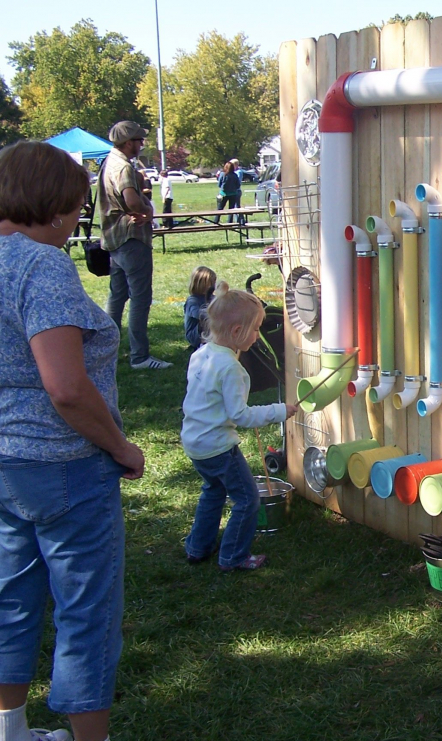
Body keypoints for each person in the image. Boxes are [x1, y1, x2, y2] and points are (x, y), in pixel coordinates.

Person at [0, 141, 145, 741]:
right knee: (86, 612)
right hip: (65, 466)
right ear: (55, 207)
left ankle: (10, 729)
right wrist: (120, 446)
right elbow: (65, 387)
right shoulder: (41, 265)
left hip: (7, 466)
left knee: (10, 598)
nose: (76, 223)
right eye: (77, 210)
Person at [181, 282, 297, 571]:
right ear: (236, 332)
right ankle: (233, 556)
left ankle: (198, 547)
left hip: (195, 443)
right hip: (218, 448)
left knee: (213, 491)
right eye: (256, 329)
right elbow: (241, 416)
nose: (258, 335)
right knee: (247, 500)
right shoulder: (231, 368)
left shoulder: (201, 354)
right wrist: (280, 411)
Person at [98, 120, 172, 370]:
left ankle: (106, 352)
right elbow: (131, 200)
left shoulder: (108, 161)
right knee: (140, 298)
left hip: (114, 239)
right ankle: (140, 357)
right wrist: (147, 211)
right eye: (139, 140)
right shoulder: (123, 167)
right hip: (131, 238)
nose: (142, 144)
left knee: (117, 297)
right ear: (128, 142)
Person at [184, 266, 217, 349]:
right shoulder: (193, 301)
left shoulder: (213, 297)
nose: (214, 286)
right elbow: (198, 315)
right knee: (206, 319)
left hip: (209, 331)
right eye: (212, 283)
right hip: (195, 335)